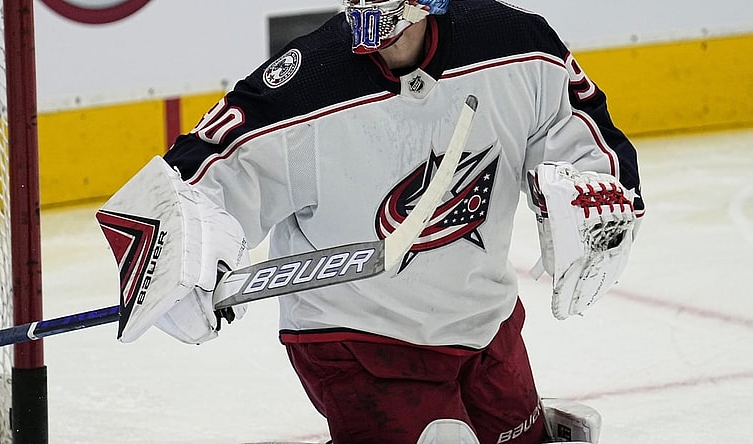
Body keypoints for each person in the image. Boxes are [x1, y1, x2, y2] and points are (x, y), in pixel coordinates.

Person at [97, 1, 644, 443]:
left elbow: (590, 143)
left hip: (484, 322)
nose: (373, 26)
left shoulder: (519, 47)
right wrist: (180, 257)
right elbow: (189, 181)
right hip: (354, 341)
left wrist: (595, 205)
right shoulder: (301, 87)